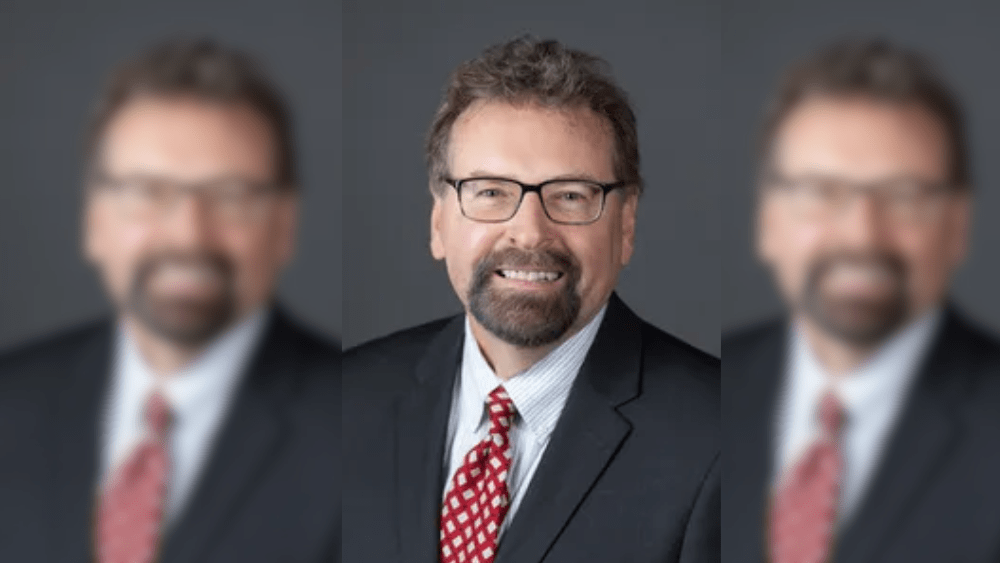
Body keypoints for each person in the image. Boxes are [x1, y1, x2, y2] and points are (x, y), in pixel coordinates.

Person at [343, 36, 720, 563]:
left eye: (570, 195)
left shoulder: (720, 440)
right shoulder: (344, 401)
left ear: (626, 224)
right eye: (490, 191)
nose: (528, 233)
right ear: (438, 220)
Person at [0, 39, 340, 563]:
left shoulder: (357, 424)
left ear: (284, 226)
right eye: (147, 192)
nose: (188, 235)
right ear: (93, 220)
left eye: (231, 196)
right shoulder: (12, 401)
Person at [724, 38, 1000, 563]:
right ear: (767, 220)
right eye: (821, 192)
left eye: (905, 196)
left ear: (958, 226)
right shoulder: (706, 391)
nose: (861, 235)